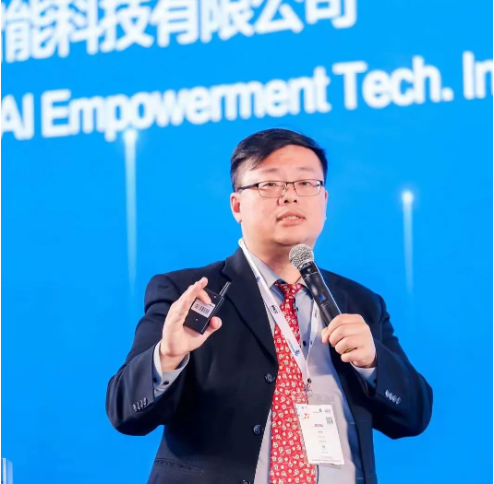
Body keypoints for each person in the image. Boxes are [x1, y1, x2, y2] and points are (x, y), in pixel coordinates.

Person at [106, 128, 433, 484]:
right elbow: (125, 412)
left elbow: (414, 416)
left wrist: (373, 363)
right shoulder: (191, 294)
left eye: (305, 183)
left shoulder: (360, 302)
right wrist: (168, 356)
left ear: (324, 200)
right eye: (269, 184)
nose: (290, 195)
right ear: (237, 206)